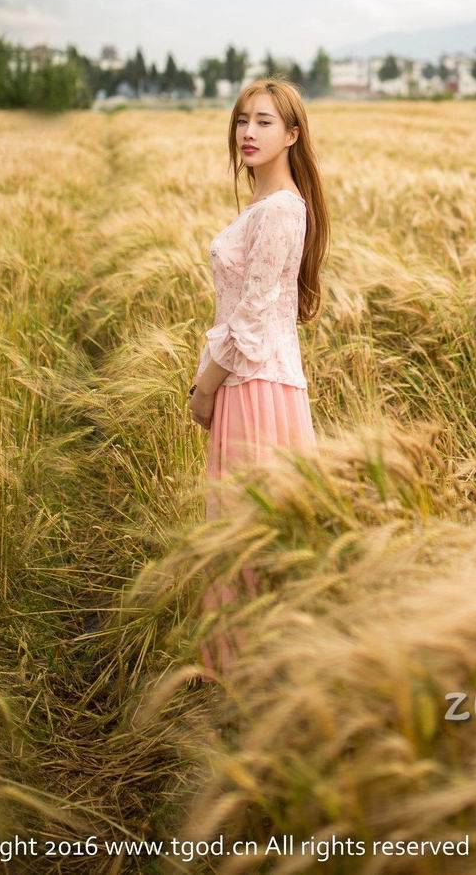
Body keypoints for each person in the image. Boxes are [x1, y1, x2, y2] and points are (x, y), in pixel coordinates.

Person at [188, 77, 329, 679]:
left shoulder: (281, 210)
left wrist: (204, 386)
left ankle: (258, 669)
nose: (248, 131)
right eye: (243, 119)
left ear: (293, 135)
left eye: (265, 121)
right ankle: (256, 669)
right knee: (250, 528)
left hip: (255, 386)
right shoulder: (271, 208)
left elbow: (250, 316)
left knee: (251, 531)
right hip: (256, 382)